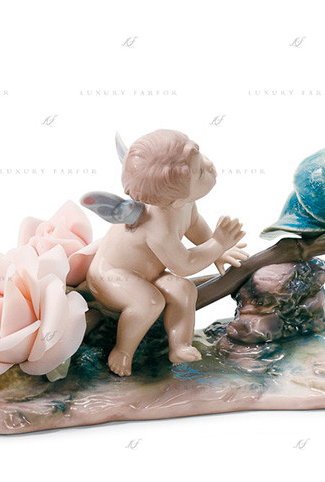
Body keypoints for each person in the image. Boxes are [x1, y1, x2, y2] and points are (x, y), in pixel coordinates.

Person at [85, 129, 248, 375]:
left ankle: (179, 346)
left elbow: (193, 224)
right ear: (176, 202)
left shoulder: (180, 202)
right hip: (112, 276)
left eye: (201, 158)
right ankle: (123, 350)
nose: (209, 165)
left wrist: (217, 250)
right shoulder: (157, 227)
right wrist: (217, 244)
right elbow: (184, 264)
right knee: (149, 303)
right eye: (200, 172)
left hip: (149, 273)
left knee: (184, 290)